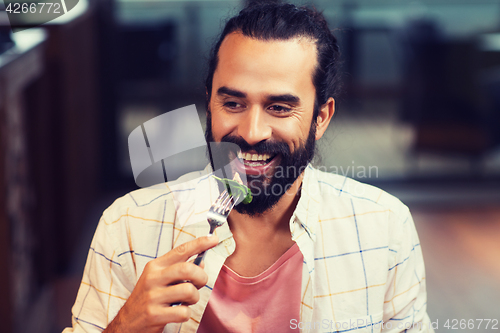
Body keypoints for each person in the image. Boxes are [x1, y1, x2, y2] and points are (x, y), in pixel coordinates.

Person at [64, 2, 434, 332]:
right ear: (210, 103)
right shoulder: (127, 227)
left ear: (321, 118)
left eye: (279, 107)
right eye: (233, 104)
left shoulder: (384, 227)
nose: (251, 133)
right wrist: (126, 327)